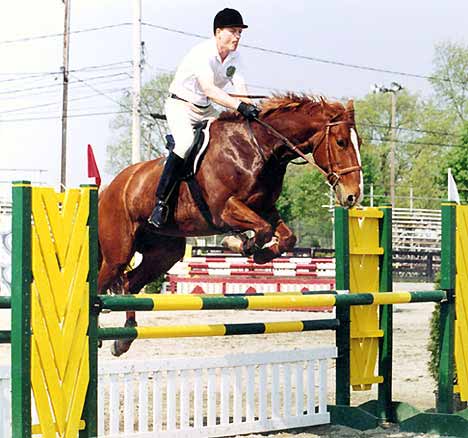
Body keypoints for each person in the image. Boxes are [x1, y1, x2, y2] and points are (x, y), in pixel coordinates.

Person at [148, 8, 260, 229]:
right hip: (180, 105)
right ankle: (160, 204)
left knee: (228, 141)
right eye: (233, 31)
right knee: (186, 143)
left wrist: (251, 110)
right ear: (218, 32)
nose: (237, 37)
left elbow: (240, 91)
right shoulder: (203, 53)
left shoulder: (235, 57)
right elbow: (209, 89)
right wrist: (240, 106)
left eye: (240, 32)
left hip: (205, 109)